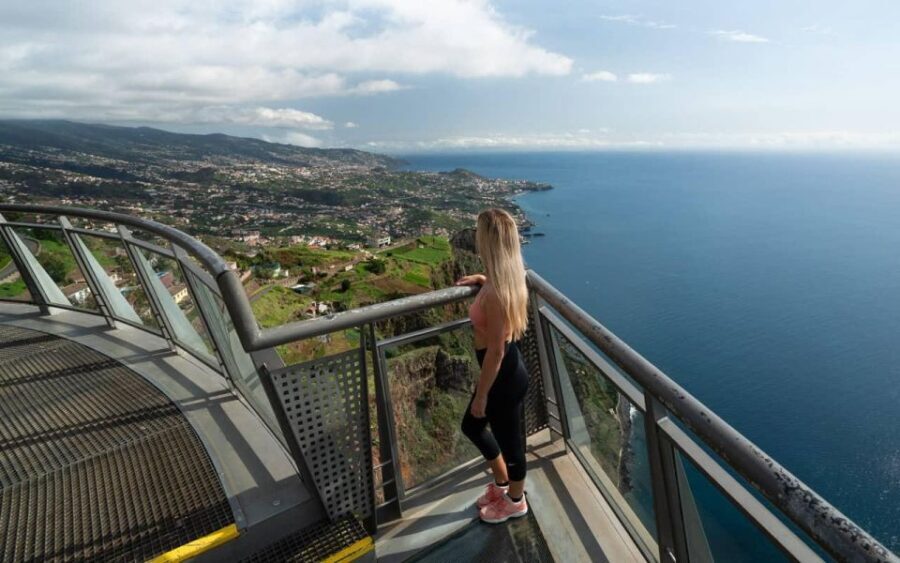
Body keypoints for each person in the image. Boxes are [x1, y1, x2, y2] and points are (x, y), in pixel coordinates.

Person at [456, 208, 530, 524]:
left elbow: (496, 352)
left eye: (479, 232)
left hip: (502, 377)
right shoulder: (500, 281)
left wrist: (482, 396)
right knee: (473, 426)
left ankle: (516, 501)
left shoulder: (498, 293)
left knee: (511, 444)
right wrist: (482, 281)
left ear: (489, 241)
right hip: (505, 373)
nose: (475, 236)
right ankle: (502, 484)